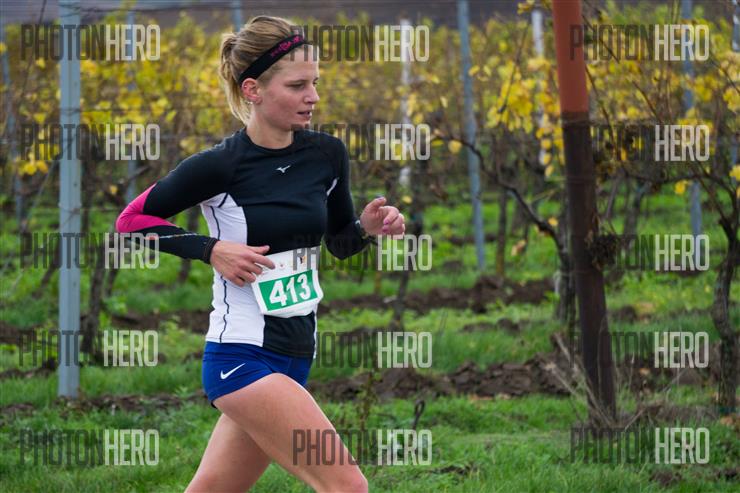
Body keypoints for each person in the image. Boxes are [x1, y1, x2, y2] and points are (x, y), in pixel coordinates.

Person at [115, 15, 405, 493]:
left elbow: (339, 243)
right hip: (241, 356)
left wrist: (367, 229)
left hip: (297, 352)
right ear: (252, 90)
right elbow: (131, 220)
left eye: (315, 82)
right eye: (297, 85)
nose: (313, 96)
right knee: (348, 486)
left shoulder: (327, 155)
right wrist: (211, 249)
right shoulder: (219, 165)